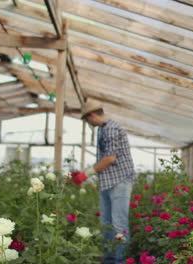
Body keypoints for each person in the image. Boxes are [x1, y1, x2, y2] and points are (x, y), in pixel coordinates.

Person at [78, 99, 135, 264]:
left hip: (120, 181)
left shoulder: (111, 129)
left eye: (87, 119)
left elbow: (109, 158)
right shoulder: (103, 129)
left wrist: (86, 174)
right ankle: (110, 258)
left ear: (92, 115)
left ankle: (121, 260)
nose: (89, 123)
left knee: (118, 223)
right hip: (109, 181)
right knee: (107, 223)